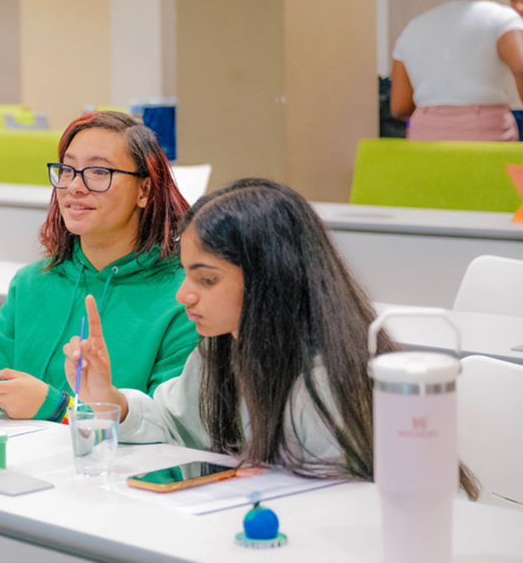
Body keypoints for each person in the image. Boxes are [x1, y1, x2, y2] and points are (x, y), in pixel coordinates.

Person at [64, 178, 479, 497]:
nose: (183, 294)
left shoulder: (326, 379)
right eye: (187, 273)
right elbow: (178, 423)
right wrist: (112, 400)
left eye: (206, 278)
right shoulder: (223, 348)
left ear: (269, 280)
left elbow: (334, 502)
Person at [0, 111, 199, 421]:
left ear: (144, 190)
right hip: (24, 460)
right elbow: (3, 390)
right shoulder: (31, 283)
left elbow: (168, 428)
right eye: (67, 169)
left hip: (113, 467)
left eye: (99, 171)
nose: (74, 186)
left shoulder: (182, 297)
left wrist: (56, 408)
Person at [391, 0, 523, 142]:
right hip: (486, 136)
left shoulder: (412, 29)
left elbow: (399, 107)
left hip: (426, 141)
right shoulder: (502, 18)